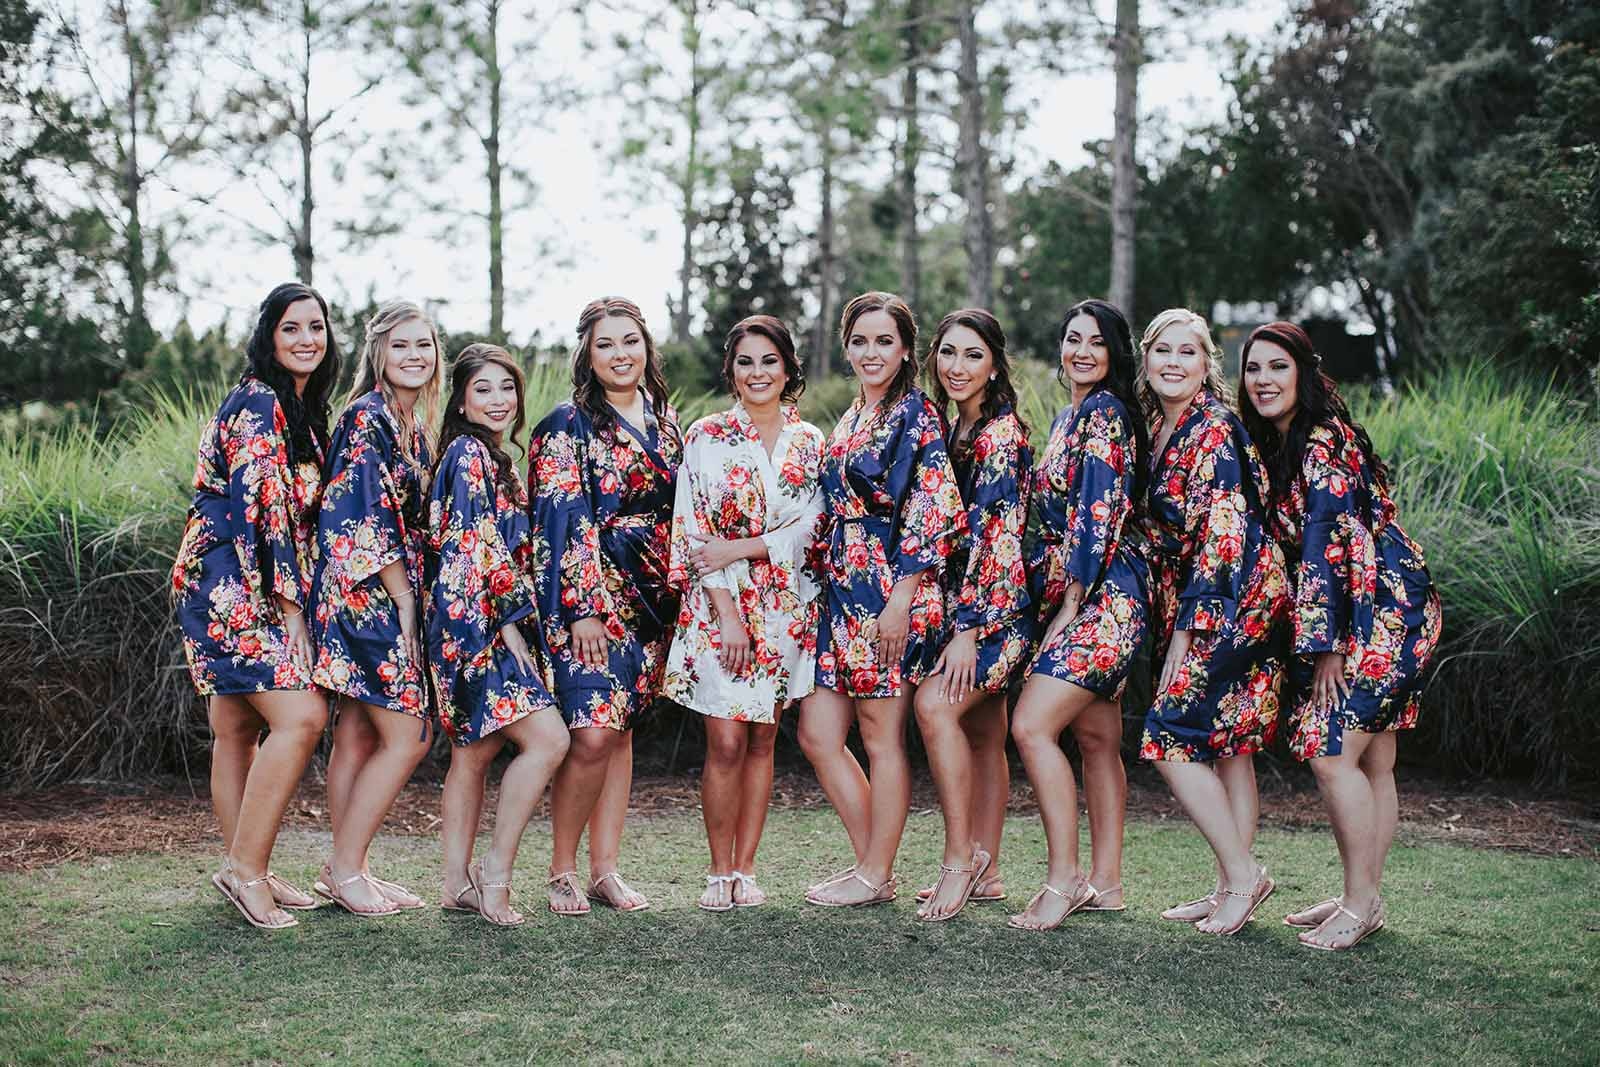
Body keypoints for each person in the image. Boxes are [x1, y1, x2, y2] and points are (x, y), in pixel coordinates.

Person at [1240, 321, 1442, 950]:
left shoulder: (1321, 442)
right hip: (1374, 604)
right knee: (1375, 759)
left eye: (1277, 366)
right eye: (1253, 368)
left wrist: (1326, 647)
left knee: (1330, 752)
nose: (1264, 380)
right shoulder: (1283, 441)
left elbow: (1329, 549)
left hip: (1386, 610)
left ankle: (1358, 903)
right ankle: (1365, 894)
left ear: (1303, 371)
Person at [171, 282, 338, 930]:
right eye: (291, 327)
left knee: (238, 725)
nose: (306, 339)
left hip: (244, 574)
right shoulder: (259, 401)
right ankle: (245, 870)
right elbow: (262, 512)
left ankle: (250, 867)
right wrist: (290, 609)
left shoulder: (298, 407)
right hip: (230, 576)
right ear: (269, 335)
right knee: (301, 714)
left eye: (315, 327)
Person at [801, 291, 967, 908]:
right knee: (818, 733)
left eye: (884, 341)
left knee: (880, 736)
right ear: (847, 347)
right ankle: (874, 864)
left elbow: (931, 508)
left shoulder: (917, 414)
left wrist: (901, 601)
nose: (871, 352)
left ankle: (873, 873)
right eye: (860, 341)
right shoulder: (852, 416)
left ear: (905, 350)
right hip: (843, 590)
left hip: (892, 591)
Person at [1138, 307, 1291, 937]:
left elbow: (1225, 532)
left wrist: (1187, 628)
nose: (1173, 363)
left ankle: (1244, 874)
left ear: (1207, 365)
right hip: (1208, 594)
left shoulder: (1215, 429)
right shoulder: (1158, 426)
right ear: (1146, 359)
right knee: (1230, 745)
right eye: (1163, 351)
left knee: (1169, 733)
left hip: (1234, 596)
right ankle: (1231, 884)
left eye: (1187, 352)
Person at [663, 315, 825, 911]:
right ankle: (717, 869)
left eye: (769, 361)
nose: (758, 373)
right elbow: (693, 528)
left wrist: (745, 546)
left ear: (788, 368)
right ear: (731, 371)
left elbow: (812, 529)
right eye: (746, 362)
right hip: (720, 607)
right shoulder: (706, 435)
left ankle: (746, 869)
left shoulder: (811, 442)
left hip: (785, 608)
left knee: (762, 740)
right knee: (726, 741)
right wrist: (728, 612)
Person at [527, 297, 681, 916]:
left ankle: (605, 870)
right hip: (591, 600)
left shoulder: (666, 424)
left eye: (630, 341)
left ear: (646, 347)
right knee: (591, 735)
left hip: (653, 600)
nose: (620, 354)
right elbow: (560, 517)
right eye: (605, 344)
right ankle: (562, 870)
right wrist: (583, 607)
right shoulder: (564, 426)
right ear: (586, 356)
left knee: (619, 735)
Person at [1006, 299, 1151, 931]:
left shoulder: (1107, 413)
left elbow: (1098, 515)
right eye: (1073, 339)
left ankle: (1065, 878)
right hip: (1085, 591)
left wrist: (1068, 607)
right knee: (1096, 739)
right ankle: (1107, 883)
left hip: (1102, 596)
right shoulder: (1071, 415)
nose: (1083, 351)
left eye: (1096, 342)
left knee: (1031, 725)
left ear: (1115, 353)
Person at [428, 344, 571, 927]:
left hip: (474, 621)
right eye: (482, 389)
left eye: (507, 387)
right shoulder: (467, 454)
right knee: (549, 740)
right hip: (477, 626)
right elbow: (474, 542)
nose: (498, 399)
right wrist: (511, 625)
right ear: (461, 401)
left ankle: (454, 883)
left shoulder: (496, 458)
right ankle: (496, 873)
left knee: (475, 751)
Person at [309, 300, 441, 915]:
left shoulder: (410, 422)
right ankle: (345, 868)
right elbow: (361, 517)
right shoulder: (367, 418)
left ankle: (349, 867)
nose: (414, 356)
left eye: (424, 345)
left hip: (386, 587)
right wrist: (405, 598)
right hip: (368, 592)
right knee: (409, 734)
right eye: (401, 345)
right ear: (379, 352)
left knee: (359, 733)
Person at [911, 308, 1033, 922]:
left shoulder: (1000, 437)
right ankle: (990, 870)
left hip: (992, 614)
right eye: (949, 352)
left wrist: (966, 631)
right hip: (959, 605)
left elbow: (998, 540)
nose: (957, 367)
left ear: (994, 365)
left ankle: (959, 860)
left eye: (973, 355)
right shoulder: (951, 425)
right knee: (984, 733)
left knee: (934, 706)